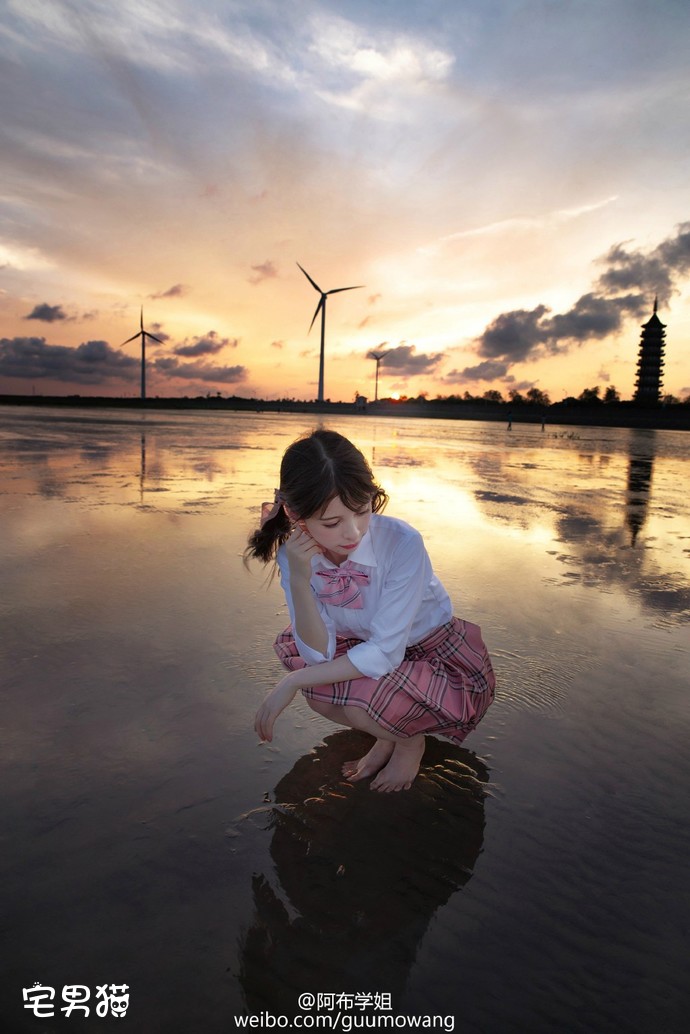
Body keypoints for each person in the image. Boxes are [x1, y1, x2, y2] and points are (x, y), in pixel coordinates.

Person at [245, 429, 495, 793]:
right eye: (332, 523)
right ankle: (388, 734)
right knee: (321, 695)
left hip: (435, 653)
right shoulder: (294, 555)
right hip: (369, 647)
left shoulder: (402, 542)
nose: (353, 533)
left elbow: (385, 652)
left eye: (362, 511)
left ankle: (409, 743)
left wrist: (290, 681)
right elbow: (317, 656)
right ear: (296, 515)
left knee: (355, 702)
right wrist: (299, 580)